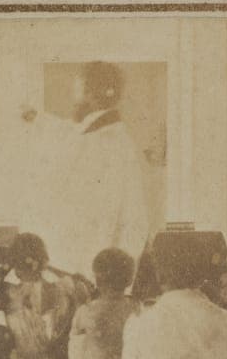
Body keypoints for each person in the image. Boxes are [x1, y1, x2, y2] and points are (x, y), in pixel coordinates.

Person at [19, 62, 151, 278]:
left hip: (92, 256)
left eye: (79, 91)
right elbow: (67, 131)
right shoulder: (100, 134)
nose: (75, 100)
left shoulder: (105, 140)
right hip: (95, 258)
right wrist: (38, 119)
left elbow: (66, 141)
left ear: (92, 94)